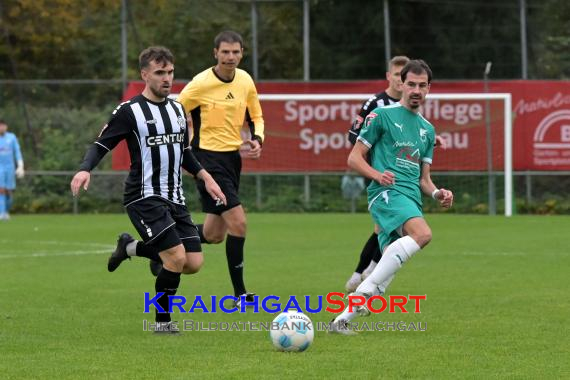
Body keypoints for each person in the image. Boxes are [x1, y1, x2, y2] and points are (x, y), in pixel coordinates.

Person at [70, 46, 226, 333]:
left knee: (193, 263)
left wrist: (206, 177)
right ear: (144, 74)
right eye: (159, 73)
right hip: (144, 195)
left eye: (170, 72)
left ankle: (129, 247)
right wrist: (84, 168)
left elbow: (186, 152)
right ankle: (162, 323)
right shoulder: (129, 112)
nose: (167, 78)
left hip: (175, 196)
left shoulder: (178, 110)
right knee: (175, 258)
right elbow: (101, 144)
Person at [331, 60, 453, 334]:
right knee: (423, 235)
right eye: (411, 84)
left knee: (388, 264)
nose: (416, 90)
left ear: (429, 89)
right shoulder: (382, 116)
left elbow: (424, 179)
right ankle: (360, 292)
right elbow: (354, 158)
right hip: (386, 193)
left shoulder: (428, 130)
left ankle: (342, 321)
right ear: (401, 84)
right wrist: (377, 175)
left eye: (422, 85)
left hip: (411, 198)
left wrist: (437, 192)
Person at [173, 30, 264, 307]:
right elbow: (174, 112)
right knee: (239, 222)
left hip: (232, 160)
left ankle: (165, 245)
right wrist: (183, 155)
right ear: (215, 53)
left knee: (214, 234)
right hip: (207, 160)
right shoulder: (200, 83)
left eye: (235, 52)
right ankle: (240, 295)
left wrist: (257, 139)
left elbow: (256, 114)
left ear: (241, 53)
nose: (230, 57)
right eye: (225, 52)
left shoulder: (245, 80)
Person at [344, 56, 410, 292]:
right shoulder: (374, 103)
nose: (401, 81)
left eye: (406, 77)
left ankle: (361, 273)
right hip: (376, 172)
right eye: (397, 75)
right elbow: (354, 138)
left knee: (382, 226)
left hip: (400, 174)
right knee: (387, 225)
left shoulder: (408, 106)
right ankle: (368, 271)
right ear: (388, 76)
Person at [0, 119, 25, 220]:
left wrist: (20, 165)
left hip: (10, 168)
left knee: (9, 192)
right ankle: (1, 213)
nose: (1, 127)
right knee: (1, 190)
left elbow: (17, 152)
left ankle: (6, 210)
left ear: (6, 126)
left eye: (3, 125)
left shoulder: (12, 137)